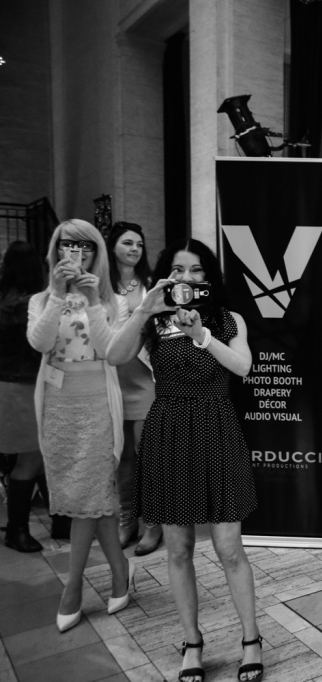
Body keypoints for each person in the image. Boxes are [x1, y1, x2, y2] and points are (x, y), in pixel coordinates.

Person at [107, 239, 263, 682]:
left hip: (216, 427)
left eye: (196, 270)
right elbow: (114, 356)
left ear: (208, 277)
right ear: (166, 276)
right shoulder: (153, 321)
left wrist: (201, 336)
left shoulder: (228, 319)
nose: (188, 278)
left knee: (229, 547)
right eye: (178, 270)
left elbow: (242, 367)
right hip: (169, 430)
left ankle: (250, 639)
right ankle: (192, 642)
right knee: (178, 548)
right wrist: (143, 309)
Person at [26, 219, 133, 632]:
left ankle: (72, 586)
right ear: (56, 250)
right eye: (69, 246)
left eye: (86, 247)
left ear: (96, 253)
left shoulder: (112, 303)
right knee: (93, 497)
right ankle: (121, 572)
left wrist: (90, 298)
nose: (78, 254)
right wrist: (56, 294)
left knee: (90, 491)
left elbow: (111, 350)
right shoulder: (41, 298)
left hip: (98, 406)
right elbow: (39, 342)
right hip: (57, 406)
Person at [106, 222, 161, 555]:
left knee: (148, 454)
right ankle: (128, 519)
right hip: (113, 379)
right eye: (128, 242)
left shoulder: (151, 285)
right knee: (123, 456)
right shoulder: (100, 286)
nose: (135, 248)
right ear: (112, 247)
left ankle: (154, 523)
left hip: (145, 378)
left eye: (140, 244)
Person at [0, 241, 46, 552]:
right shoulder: (29, 305)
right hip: (23, 389)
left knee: (32, 458)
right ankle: (16, 530)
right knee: (31, 460)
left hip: (7, 387)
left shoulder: (4, 299)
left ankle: (61, 520)